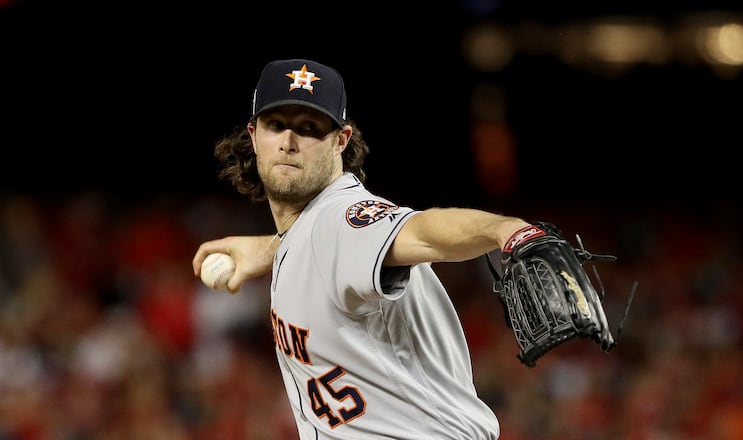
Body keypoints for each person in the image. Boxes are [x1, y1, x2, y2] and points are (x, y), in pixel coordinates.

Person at [192, 58, 533, 440]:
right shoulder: (312, 234)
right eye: (276, 125)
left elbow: (421, 232)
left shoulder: (343, 217)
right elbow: (321, 244)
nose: (289, 141)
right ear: (253, 136)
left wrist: (504, 229)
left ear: (341, 140)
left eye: (309, 128)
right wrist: (272, 249)